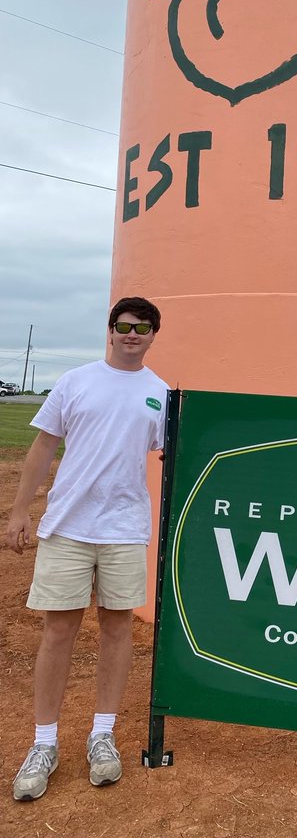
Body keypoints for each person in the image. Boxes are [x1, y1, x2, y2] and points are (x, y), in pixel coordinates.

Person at [5, 297, 169, 802]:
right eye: (123, 326)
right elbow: (42, 447)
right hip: (68, 525)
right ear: (110, 329)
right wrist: (19, 510)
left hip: (123, 528)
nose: (131, 334)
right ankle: (44, 742)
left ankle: (102, 735)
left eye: (141, 327)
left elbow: (177, 455)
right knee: (59, 630)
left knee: (118, 628)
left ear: (153, 333)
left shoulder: (161, 394)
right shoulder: (76, 381)